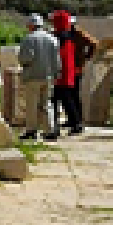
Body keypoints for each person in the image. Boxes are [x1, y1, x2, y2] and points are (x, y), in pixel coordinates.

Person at [16, 12, 61, 140]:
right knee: (46, 103)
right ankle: (50, 130)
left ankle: (31, 130)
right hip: (48, 77)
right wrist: (56, 73)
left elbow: (25, 58)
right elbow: (57, 61)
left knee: (32, 104)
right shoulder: (52, 39)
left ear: (31, 25)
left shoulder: (29, 39)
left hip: (33, 76)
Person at [51, 10, 96, 136]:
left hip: (71, 69)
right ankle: (73, 121)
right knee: (68, 97)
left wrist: (86, 58)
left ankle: (76, 122)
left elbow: (93, 43)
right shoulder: (64, 36)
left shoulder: (74, 35)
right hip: (69, 69)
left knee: (71, 97)